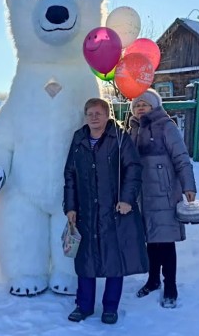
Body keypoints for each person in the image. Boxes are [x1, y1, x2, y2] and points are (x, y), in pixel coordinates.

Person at [63, 97, 148, 325]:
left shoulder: (118, 138)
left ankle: (110, 307)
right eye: (90, 113)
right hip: (86, 210)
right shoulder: (79, 138)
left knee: (114, 259)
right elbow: (70, 174)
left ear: (107, 115)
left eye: (98, 113)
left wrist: (127, 199)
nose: (93, 117)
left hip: (114, 210)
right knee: (86, 259)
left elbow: (133, 168)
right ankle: (84, 306)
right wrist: (70, 206)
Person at [128, 88, 197, 309]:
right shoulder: (132, 129)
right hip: (142, 195)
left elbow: (181, 157)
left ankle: (170, 286)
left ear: (154, 106)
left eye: (144, 104)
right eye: (137, 105)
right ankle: (153, 279)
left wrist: (189, 186)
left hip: (164, 192)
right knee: (150, 240)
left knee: (165, 241)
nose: (140, 108)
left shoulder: (166, 126)